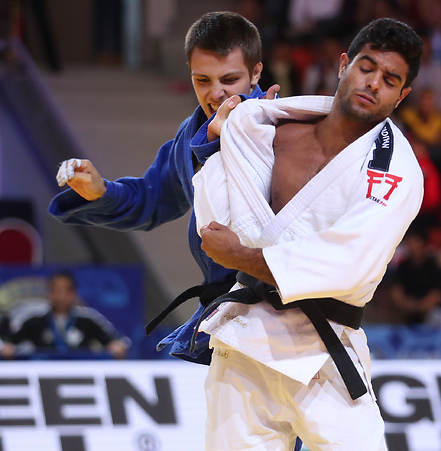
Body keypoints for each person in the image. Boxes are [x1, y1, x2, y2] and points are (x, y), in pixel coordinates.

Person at [192, 18, 424, 450]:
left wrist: (242, 256)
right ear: (343, 65)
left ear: (401, 95)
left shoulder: (395, 172)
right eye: (366, 67)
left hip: (324, 347)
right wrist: (214, 145)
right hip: (246, 340)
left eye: (390, 80)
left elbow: (350, 264)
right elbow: (217, 221)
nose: (373, 83)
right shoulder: (265, 129)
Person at [48, 11, 280, 364]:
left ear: (256, 73)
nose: (216, 93)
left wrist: (213, 139)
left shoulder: (282, 127)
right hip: (226, 317)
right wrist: (102, 192)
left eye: (229, 79)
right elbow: (152, 199)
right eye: (202, 80)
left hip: (284, 312)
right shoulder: (192, 133)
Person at [1, 271, 129, 359]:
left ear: (73, 294)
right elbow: (9, 341)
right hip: (43, 372)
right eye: (56, 291)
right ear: (49, 293)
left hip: (80, 373)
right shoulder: (35, 319)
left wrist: (116, 345)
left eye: (65, 291)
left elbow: (115, 340)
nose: (61, 296)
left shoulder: (88, 319)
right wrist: (7, 347)